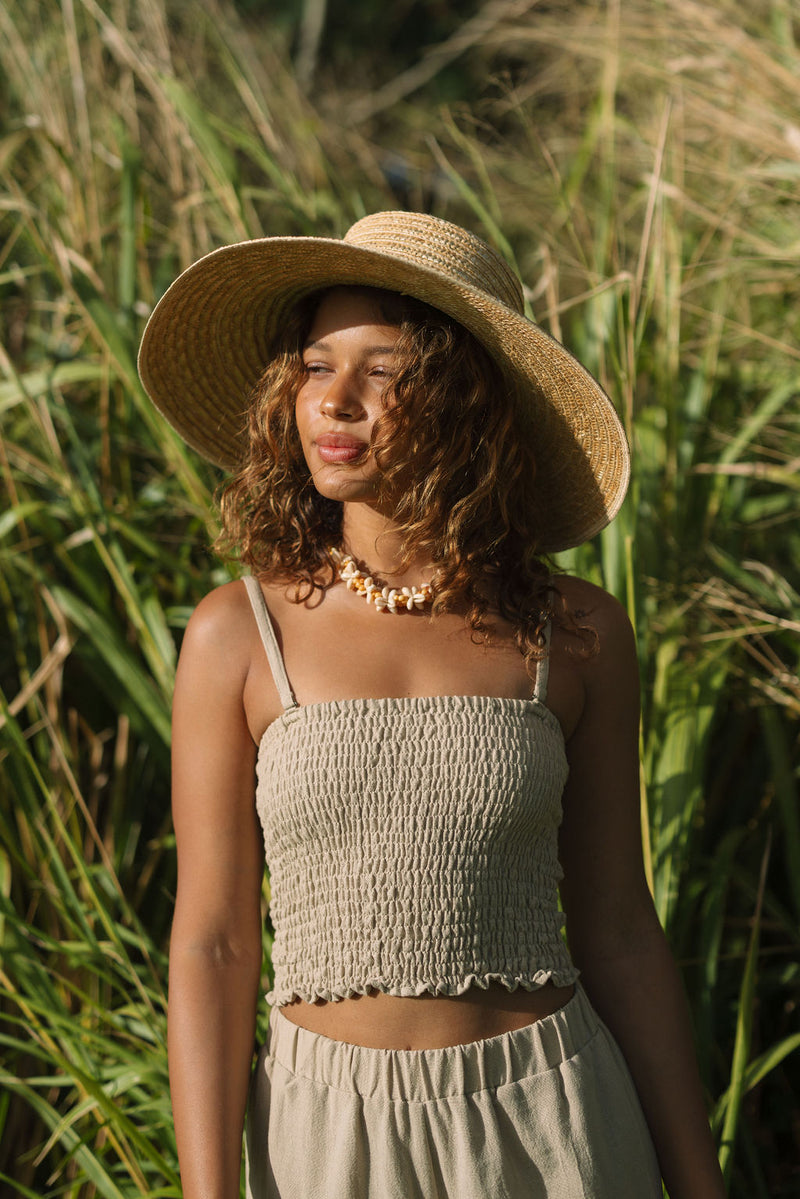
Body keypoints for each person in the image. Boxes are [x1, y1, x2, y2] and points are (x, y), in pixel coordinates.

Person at [138, 211, 727, 1199]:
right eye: (315, 364)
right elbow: (213, 942)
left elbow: (618, 928)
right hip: (321, 1127)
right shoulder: (235, 635)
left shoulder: (573, 632)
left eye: (383, 370)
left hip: (550, 1117)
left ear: (464, 398)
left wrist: (697, 1180)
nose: (334, 399)